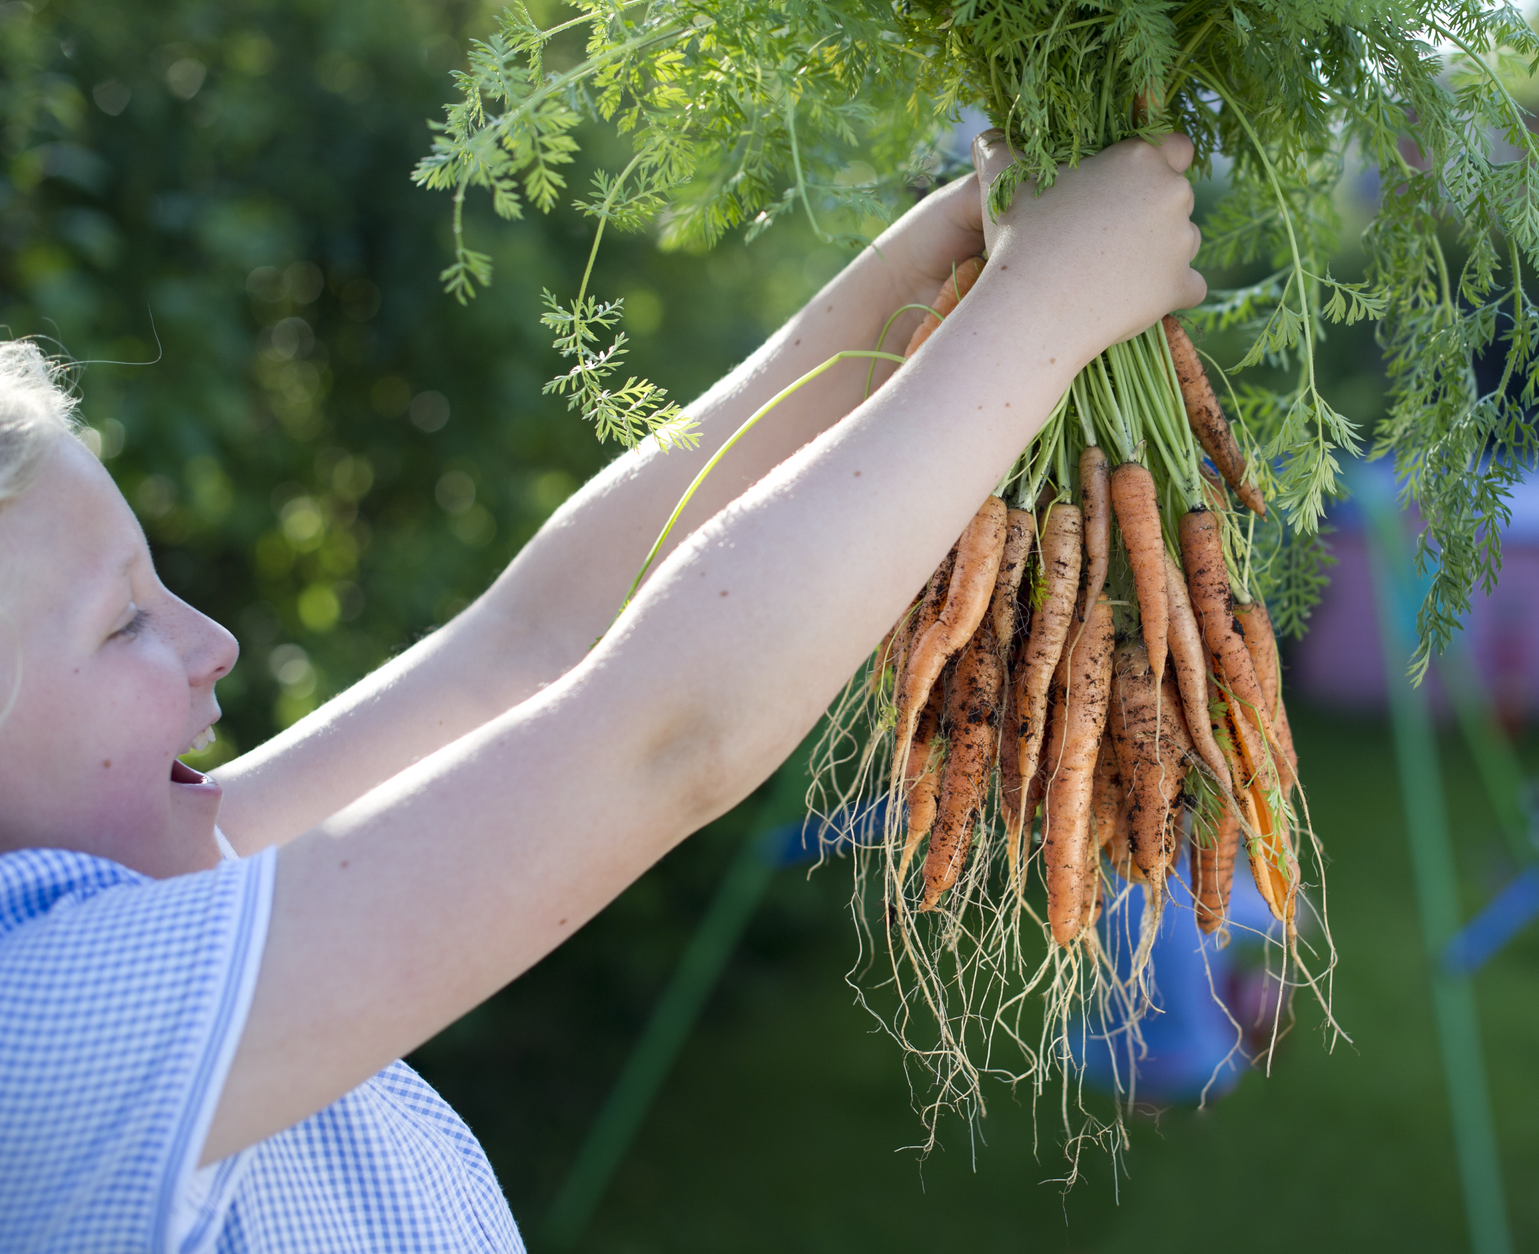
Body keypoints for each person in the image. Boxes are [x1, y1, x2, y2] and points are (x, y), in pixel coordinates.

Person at [0, 130, 1206, 1250]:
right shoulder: (40, 1037)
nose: (211, 639)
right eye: (122, 623)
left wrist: (934, 275)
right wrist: (1044, 308)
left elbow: (520, 649)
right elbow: (660, 738)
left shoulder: (148, 883)